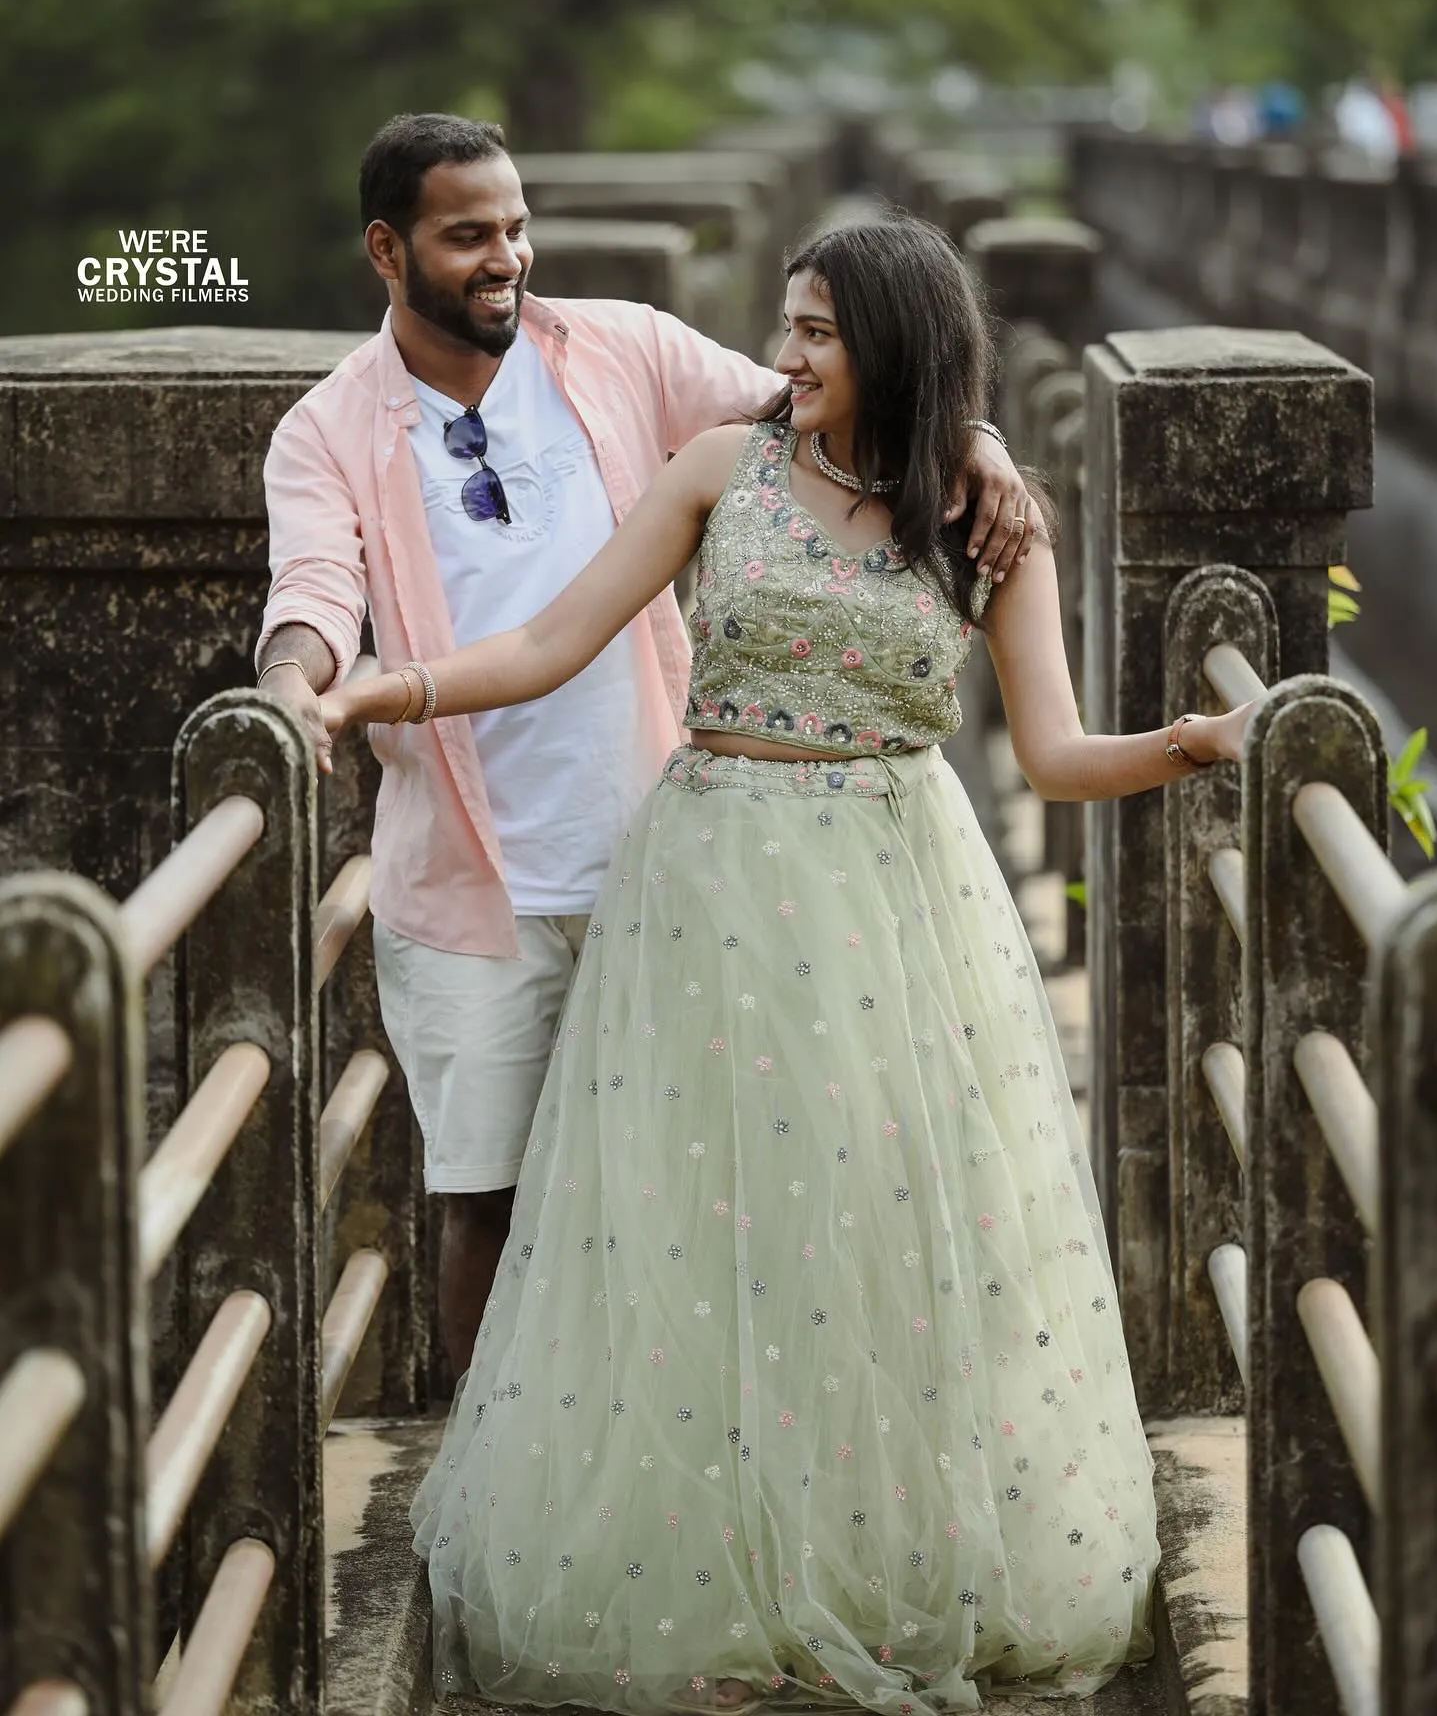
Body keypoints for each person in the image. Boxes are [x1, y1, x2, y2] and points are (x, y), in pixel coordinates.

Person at [321, 214, 1251, 1710]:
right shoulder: (721, 470)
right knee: (711, 1223)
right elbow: (557, 641)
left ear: (892, 341)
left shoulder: (983, 516)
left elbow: (1059, 756)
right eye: (789, 324)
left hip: (900, 894)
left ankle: (880, 1560)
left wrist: (1192, 746)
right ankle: (722, 1567)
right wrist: (393, 687)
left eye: (818, 329)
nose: (790, 353)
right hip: (709, 888)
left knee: (882, 1221)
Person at [254, 113, 1042, 1376]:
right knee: (489, 1207)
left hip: (671, 859)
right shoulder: (328, 431)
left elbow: (828, 403)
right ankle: (487, 1536)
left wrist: (978, 440)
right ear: (387, 251)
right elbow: (311, 589)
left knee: (693, 1201)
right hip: (471, 886)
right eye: (469, 237)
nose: (507, 256)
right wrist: (295, 686)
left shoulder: (619, 347)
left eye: (516, 227)